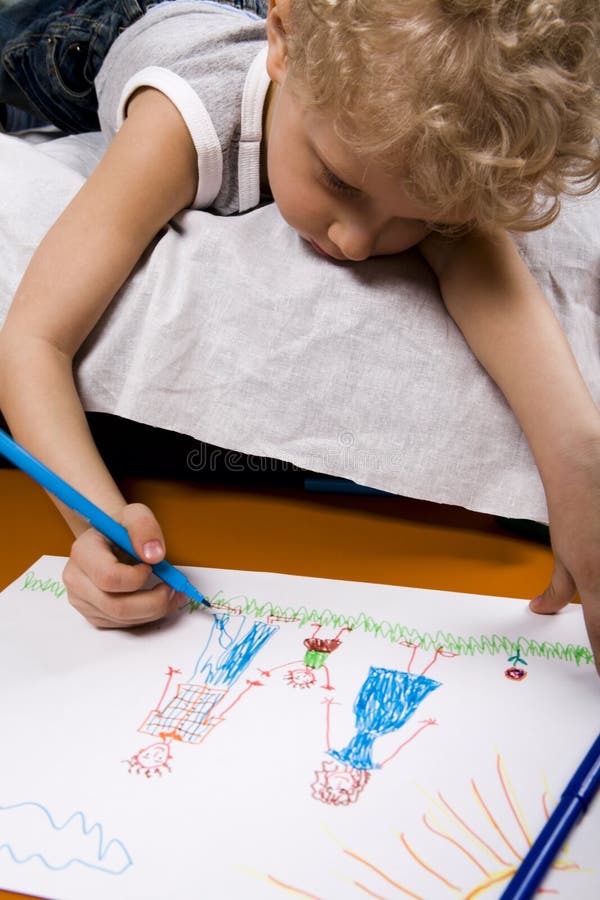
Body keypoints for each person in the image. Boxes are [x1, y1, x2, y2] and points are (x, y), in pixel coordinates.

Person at [0, 1, 599, 671]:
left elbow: (476, 265)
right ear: (282, 44)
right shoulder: (184, 122)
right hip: (92, 29)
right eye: (337, 181)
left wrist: (578, 461)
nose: (357, 241)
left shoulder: (399, 127)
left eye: (420, 220)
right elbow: (33, 342)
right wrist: (94, 523)